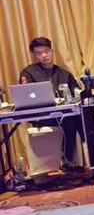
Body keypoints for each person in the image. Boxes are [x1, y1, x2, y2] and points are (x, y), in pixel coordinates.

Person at [19, 37, 84, 171]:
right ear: (35, 55)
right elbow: (26, 95)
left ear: (52, 51)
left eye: (47, 51)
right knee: (71, 120)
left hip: (64, 114)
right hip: (42, 117)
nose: (44, 55)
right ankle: (67, 160)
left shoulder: (64, 74)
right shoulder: (29, 73)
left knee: (82, 117)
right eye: (39, 53)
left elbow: (76, 94)